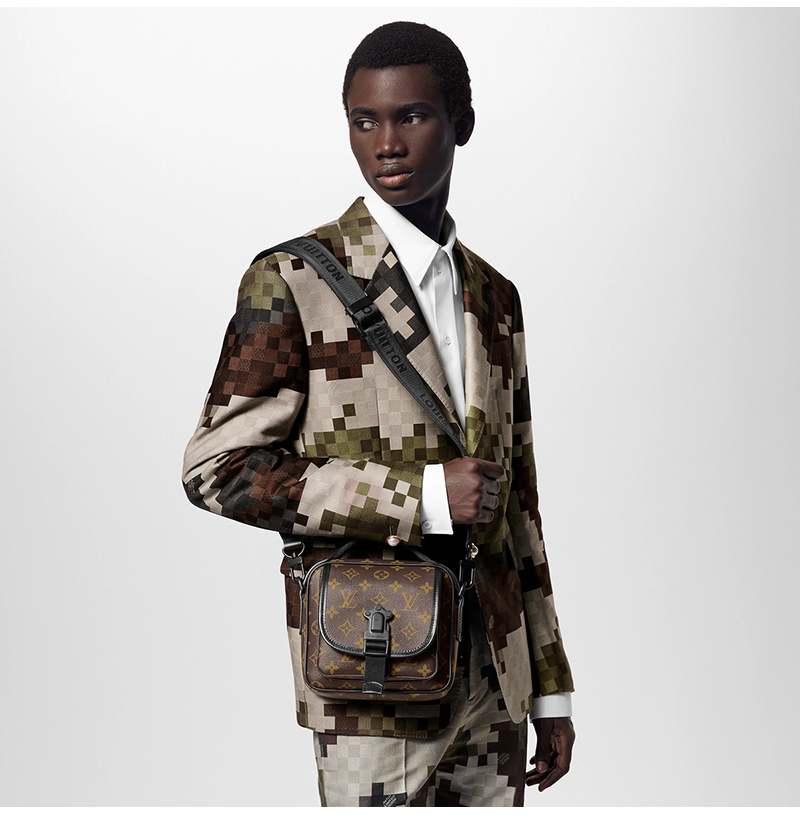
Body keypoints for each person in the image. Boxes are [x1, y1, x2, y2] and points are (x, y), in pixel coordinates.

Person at [183, 21, 575, 807]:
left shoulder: (495, 296)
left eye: (411, 116)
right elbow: (217, 470)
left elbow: (520, 502)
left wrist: (549, 684)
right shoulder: (294, 280)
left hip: (494, 684)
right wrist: (421, 496)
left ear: (461, 122)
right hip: (373, 674)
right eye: (364, 121)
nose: (386, 144)